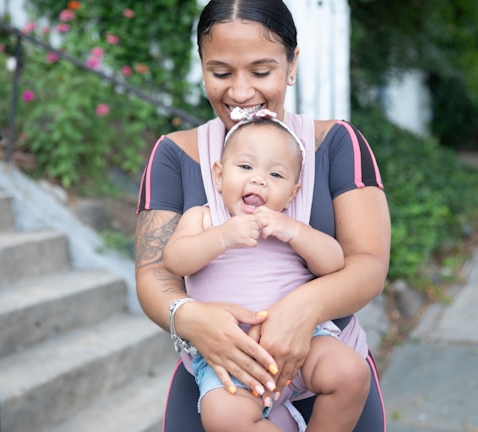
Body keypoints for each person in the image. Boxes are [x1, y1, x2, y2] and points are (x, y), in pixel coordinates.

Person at [134, 1, 391, 430]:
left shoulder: (336, 143)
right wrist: (192, 318)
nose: (240, 92)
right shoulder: (176, 154)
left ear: (292, 65)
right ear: (200, 67)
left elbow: (367, 263)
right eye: (220, 73)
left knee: (346, 375)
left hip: (324, 365)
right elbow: (154, 274)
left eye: (260, 71)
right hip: (225, 381)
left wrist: (302, 308)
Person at [163, 110, 370, 431]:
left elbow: (334, 263)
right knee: (224, 416)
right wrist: (222, 237)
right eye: (245, 167)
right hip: (230, 352)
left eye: (276, 175)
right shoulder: (203, 218)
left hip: (304, 340)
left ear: (293, 192)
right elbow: (175, 260)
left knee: (351, 373)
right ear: (218, 175)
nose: (258, 179)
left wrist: (295, 232)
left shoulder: (291, 224)